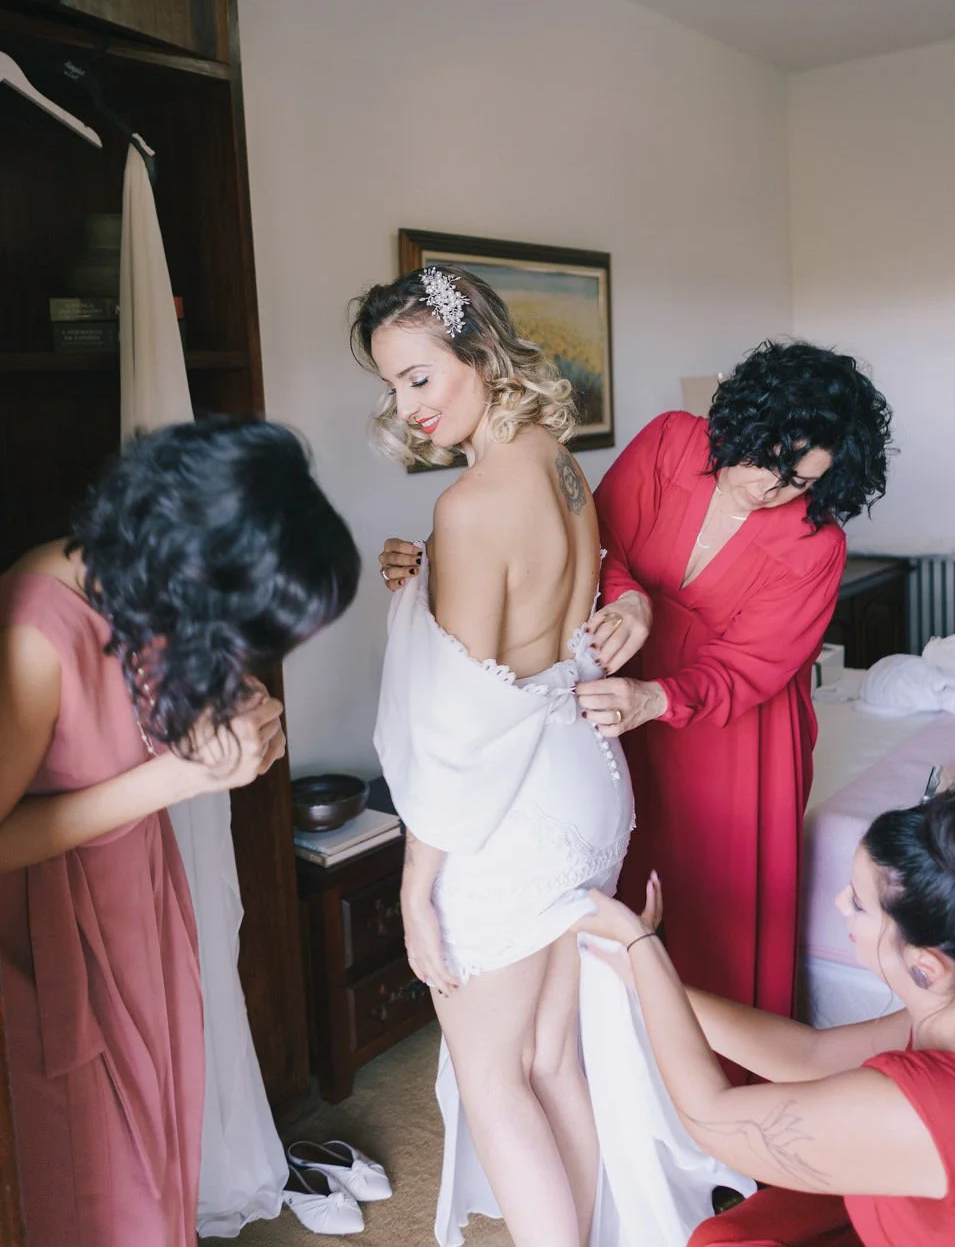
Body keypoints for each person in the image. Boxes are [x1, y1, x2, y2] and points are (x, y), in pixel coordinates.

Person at [358, 267, 751, 1247]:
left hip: (510, 814)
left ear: (477, 354)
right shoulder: (557, 461)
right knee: (550, 1060)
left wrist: (415, 889)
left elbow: (459, 726)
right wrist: (427, 580)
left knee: (495, 1079)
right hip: (585, 784)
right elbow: (534, 629)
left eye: (417, 377)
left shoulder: (471, 505)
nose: (406, 409)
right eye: (391, 387)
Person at [0, 416, 360, 1247]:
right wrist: (174, 779)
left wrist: (239, 714)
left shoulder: (142, 588)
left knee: (161, 1150)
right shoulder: (33, 636)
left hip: (138, 906)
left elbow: (167, 698)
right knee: (93, 1182)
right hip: (54, 932)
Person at [573, 341, 892, 1027]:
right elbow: (600, 538)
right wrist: (628, 598)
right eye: (772, 463)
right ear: (747, 422)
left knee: (715, 913)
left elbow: (749, 666)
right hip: (623, 699)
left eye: (800, 483)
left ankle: (719, 1088)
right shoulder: (667, 443)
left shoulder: (816, 546)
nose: (773, 490)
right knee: (622, 877)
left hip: (734, 734)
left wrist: (657, 698)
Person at [579, 772, 955, 1246]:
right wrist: (645, 979)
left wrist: (644, 950)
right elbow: (809, 1056)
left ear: (927, 966)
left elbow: (712, 1118)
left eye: (859, 905)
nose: (841, 903)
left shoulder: (933, 1107)